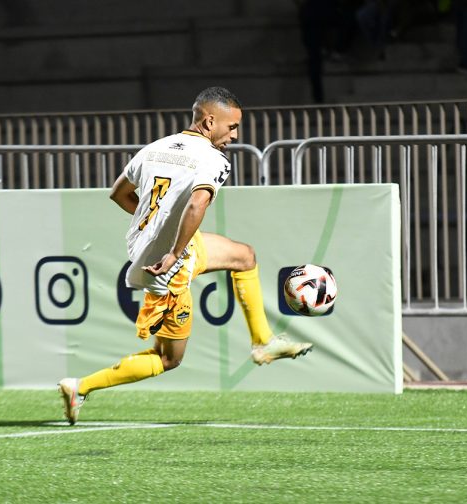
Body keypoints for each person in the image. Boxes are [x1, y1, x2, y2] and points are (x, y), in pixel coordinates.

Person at [58, 87, 313, 425]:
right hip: (169, 267)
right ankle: (80, 387)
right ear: (209, 121)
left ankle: (263, 342)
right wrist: (173, 251)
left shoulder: (155, 148)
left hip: (167, 249)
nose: (235, 136)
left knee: (244, 256)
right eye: (232, 127)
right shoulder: (214, 159)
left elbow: (118, 193)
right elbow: (197, 204)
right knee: (168, 359)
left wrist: (155, 228)